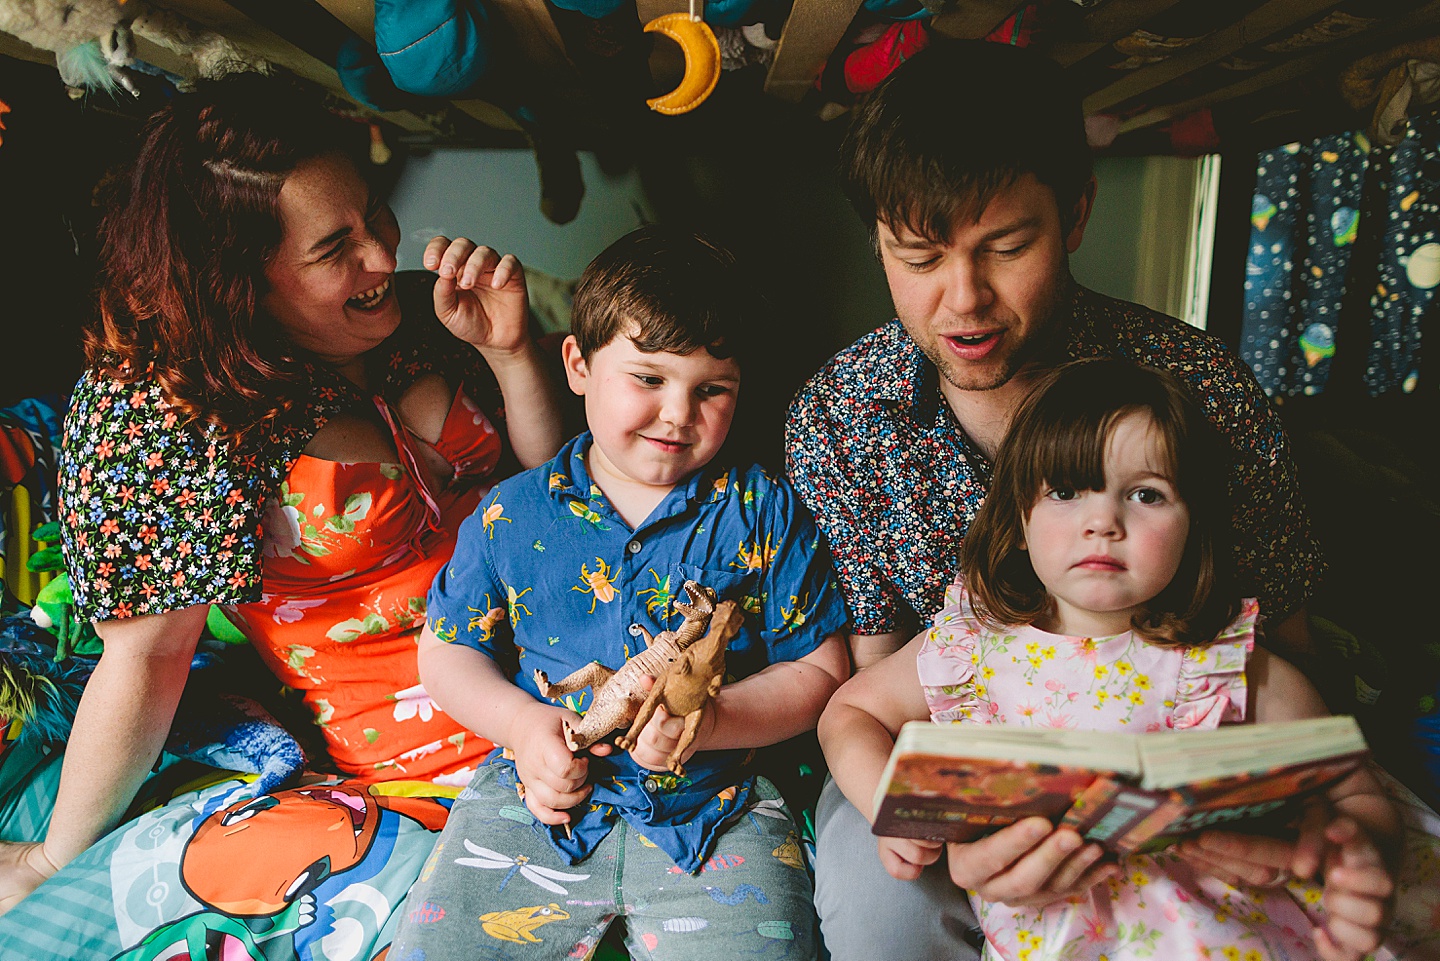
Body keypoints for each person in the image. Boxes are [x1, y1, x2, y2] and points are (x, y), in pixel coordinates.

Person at [0, 72, 565, 957]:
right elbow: (148, 656)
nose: (385, 256)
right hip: (432, 755)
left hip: (578, 664)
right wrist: (51, 858)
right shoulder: (166, 414)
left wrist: (513, 349)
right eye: (336, 247)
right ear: (240, 280)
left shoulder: (416, 316)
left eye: (376, 213)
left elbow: (563, 497)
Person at [783, 39, 1326, 960]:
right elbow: (872, 690)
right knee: (884, 916)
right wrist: (942, 831)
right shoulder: (841, 417)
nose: (965, 299)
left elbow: (1290, 657)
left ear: (1074, 213)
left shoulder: (1201, 390)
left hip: (1165, 749)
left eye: (1007, 246)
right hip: (956, 757)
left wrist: (1260, 814)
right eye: (917, 256)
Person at [820, 358, 1405, 961]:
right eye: (1067, 491)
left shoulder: (1223, 663)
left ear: (1193, 526)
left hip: (1226, 937)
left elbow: (1354, 790)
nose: (1103, 522)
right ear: (1021, 517)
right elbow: (848, 714)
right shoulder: (972, 646)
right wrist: (888, 808)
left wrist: (1355, 852)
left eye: (1146, 495)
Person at [389, 226, 850, 961]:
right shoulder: (512, 512)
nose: (677, 413)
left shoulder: (763, 511)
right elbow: (448, 655)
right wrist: (522, 726)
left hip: (718, 806)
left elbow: (822, 671)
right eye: (648, 378)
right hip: (537, 799)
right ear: (577, 364)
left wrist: (712, 720)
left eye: (712, 389)